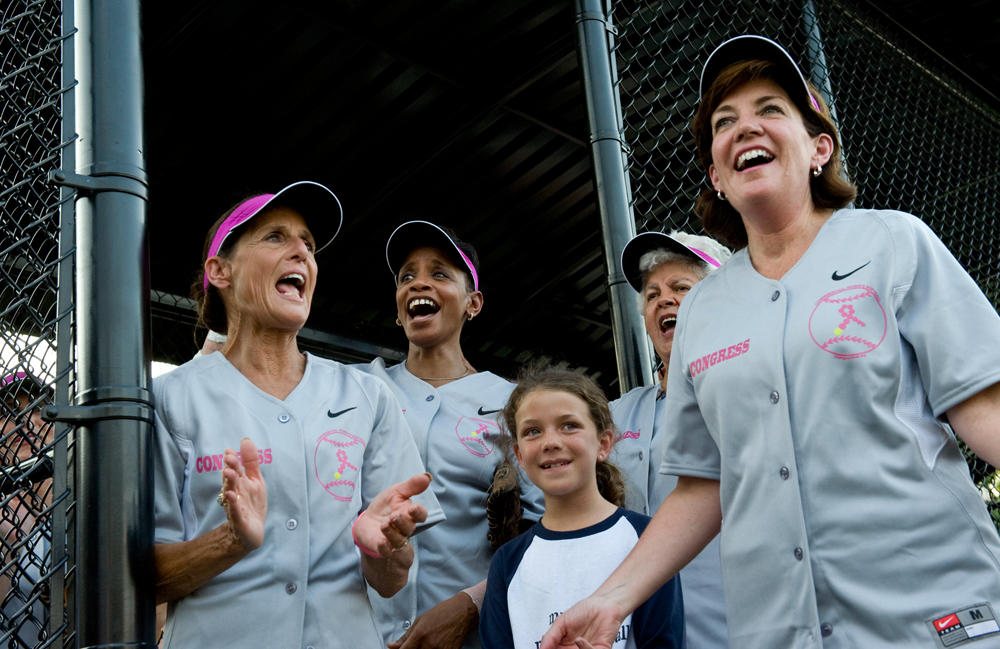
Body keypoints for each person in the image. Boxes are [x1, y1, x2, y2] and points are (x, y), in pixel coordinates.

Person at [541, 35, 1000, 649]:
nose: (743, 127)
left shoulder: (893, 244)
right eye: (724, 123)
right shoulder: (703, 307)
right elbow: (703, 485)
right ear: (716, 175)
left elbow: (982, 404)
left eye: (770, 110)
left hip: (932, 614)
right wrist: (609, 600)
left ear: (819, 148)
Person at [153, 182, 445, 649]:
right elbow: (142, 576)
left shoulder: (366, 395)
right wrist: (231, 540)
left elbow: (391, 583)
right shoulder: (169, 398)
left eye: (308, 245)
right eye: (275, 238)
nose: (302, 254)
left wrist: (384, 548)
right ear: (220, 271)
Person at [358, 221, 544, 649]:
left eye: (440, 273)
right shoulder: (357, 388)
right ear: (398, 305)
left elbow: (552, 525)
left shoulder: (516, 404)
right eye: (407, 276)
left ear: (473, 303)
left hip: (475, 635)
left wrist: (471, 604)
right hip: (361, 633)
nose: (418, 282)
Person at [480, 367, 684, 649]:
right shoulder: (507, 563)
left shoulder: (648, 539)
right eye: (533, 431)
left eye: (569, 425)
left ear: (604, 444)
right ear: (519, 456)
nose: (550, 442)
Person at [613, 231, 731, 649]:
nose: (663, 299)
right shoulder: (612, 415)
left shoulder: (755, 391)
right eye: (651, 294)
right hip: (635, 628)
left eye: (682, 287)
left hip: (738, 624)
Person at [1, 370, 54, 647]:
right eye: (10, 411)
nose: (24, 420)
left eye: (37, 407)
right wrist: (10, 547)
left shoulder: (86, 496)